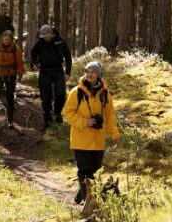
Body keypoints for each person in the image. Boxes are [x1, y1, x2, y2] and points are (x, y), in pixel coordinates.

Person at [62, 61, 120, 204]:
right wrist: (84, 122)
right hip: (80, 139)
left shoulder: (105, 94)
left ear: (98, 75)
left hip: (98, 140)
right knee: (84, 170)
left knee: (95, 172)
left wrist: (115, 135)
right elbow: (67, 113)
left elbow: (110, 115)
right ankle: (89, 202)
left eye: (93, 72)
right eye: (87, 71)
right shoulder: (76, 92)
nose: (89, 74)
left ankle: (78, 197)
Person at [30, 24, 72, 129]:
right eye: (43, 37)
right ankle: (47, 117)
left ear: (51, 34)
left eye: (47, 36)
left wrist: (67, 73)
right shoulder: (40, 43)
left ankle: (57, 113)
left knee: (61, 93)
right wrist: (33, 65)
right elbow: (33, 54)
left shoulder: (60, 42)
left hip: (58, 70)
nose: (45, 38)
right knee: (45, 95)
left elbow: (68, 57)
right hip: (44, 70)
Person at [0, 30, 24, 128]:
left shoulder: (16, 49)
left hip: (10, 75)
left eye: (8, 39)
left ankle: (10, 120)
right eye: (5, 39)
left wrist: (20, 75)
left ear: (11, 40)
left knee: (10, 97)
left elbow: (20, 63)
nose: (7, 41)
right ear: (2, 39)